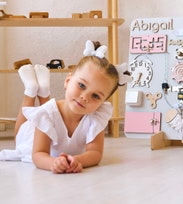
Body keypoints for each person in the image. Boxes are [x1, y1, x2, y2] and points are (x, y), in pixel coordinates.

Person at [0, 40, 131, 174]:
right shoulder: (46, 114)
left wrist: (76, 160)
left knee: (49, 114)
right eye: (81, 85)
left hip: (50, 121)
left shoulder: (96, 118)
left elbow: (95, 153)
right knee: (20, 135)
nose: (85, 97)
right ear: (68, 81)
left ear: (102, 102)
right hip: (31, 137)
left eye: (96, 96)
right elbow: (38, 154)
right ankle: (30, 90)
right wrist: (53, 163)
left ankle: (43, 90)